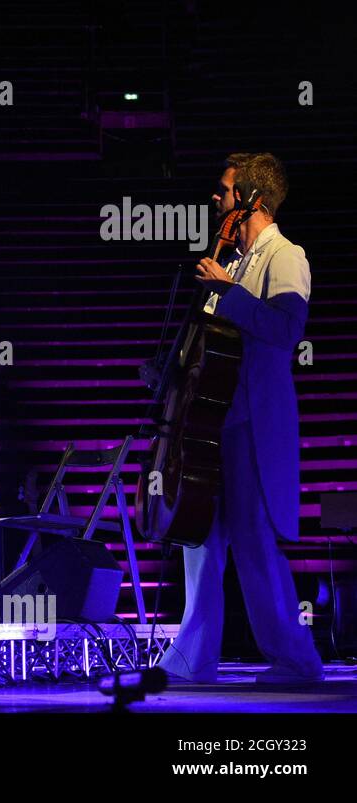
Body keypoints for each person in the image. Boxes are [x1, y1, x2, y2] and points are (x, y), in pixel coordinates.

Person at [158, 153, 324, 683]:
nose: (216, 199)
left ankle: (297, 661)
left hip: (253, 421)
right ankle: (194, 654)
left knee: (253, 537)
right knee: (200, 535)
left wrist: (225, 296)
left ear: (252, 200)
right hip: (217, 418)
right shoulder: (233, 261)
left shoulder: (287, 256)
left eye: (225, 191)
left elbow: (285, 329)